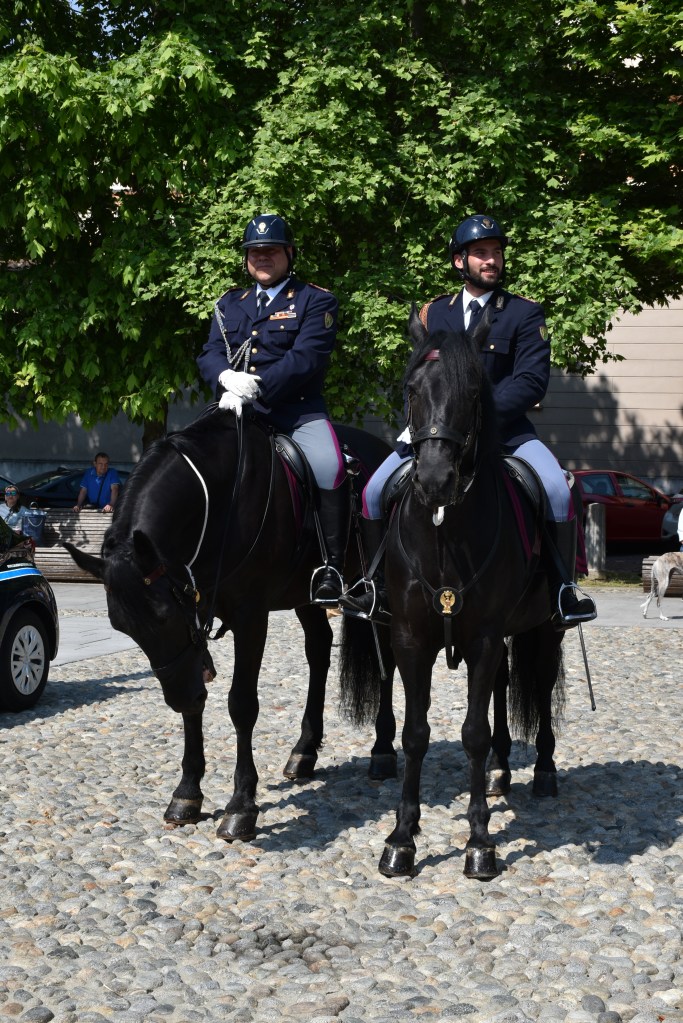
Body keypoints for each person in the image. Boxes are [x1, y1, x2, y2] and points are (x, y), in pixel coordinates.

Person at [341, 213, 596, 631]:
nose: (491, 260)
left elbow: (531, 381)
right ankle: (376, 587)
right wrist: (421, 421)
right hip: (437, 435)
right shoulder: (433, 313)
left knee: (557, 490)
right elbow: (417, 377)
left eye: (496, 252)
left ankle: (561, 591)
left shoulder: (524, 313)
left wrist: (480, 415)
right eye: (480, 253)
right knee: (372, 493)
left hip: (507, 435)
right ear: (460, 261)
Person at [197, 213, 349, 607]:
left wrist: (256, 389)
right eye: (255, 252)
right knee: (188, 458)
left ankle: (332, 568)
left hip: (295, 412)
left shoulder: (316, 300)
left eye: (271, 251)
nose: (262, 257)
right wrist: (226, 377)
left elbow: (306, 358)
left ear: (289, 253)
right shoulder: (230, 303)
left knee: (330, 466)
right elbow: (211, 351)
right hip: (233, 407)